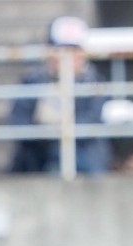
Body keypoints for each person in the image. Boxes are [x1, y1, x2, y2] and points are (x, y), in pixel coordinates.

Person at [9, 15, 112, 176]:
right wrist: (46, 135)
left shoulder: (95, 83)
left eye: (72, 50)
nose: (63, 56)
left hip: (84, 157)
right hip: (37, 155)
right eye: (58, 48)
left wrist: (57, 134)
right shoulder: (33, 80)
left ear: (83, 53)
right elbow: (19, 120)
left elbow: (90, 123)